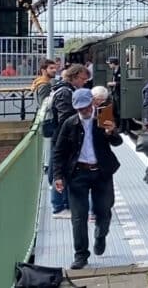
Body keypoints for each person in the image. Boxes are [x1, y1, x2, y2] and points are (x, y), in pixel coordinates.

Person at [51, 88, 121, 269]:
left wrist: (112, 132)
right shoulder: (70, 124)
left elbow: (117, 143)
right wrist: (58, 176)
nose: (85, 111)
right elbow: (59, 152)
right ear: (76, 108)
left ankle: (100, 234)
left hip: (101, 173)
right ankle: (81, 255)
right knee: (78, 217)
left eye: (87, 106)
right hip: (77, 174)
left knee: (104, 210)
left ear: (93, 103)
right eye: (81, 108)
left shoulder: (103, 117)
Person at [48, 64, 92, 218]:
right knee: (59, 171)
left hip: (64, 137)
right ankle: (58, 207)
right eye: (82, 79)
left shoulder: (66, 89)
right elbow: (65, 118)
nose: (84, 82)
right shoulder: (65, 92)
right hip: (63, 138)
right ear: (74, 76)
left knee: (64, 171)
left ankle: (65, 204)